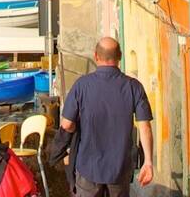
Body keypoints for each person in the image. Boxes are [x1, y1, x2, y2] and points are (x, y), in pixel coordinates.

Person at [60, 38, 154, 196]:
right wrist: (148, 162)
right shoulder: (134, 87)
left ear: (96, 56)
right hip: (119, 169)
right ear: (120, 57)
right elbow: (145, 127)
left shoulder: (81, 85)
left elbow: (66, 124)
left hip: (88, 168)